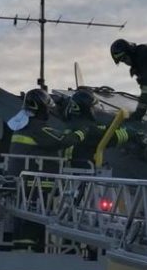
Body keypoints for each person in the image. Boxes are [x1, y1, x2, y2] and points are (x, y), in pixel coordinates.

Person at [6, 88, 87, 250]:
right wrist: (82, 132)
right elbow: (61, 140)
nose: (49, 112)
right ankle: (31, 248)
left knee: (26, 217)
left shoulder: (22, 126)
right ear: (41, 108)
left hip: (23, 183)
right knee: (35, 217)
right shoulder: (38, 129)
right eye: (48, 108)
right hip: (36, 184)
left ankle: (25, 247)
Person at [60, 88, 132, 166]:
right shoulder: (89, 129)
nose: (96, 110)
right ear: (86, 110)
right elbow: (112, 137)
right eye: (93, 107)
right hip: (84, 169)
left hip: (70, 166)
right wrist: (134, 134)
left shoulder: (73, 122)